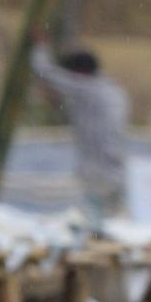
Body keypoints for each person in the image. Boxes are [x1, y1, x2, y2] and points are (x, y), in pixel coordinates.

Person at [31, 42, 130, 220]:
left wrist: (40, 47)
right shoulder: (112, 90)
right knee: (114, 222)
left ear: (78, 73)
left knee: (95, 224)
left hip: (97, 174)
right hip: (118, 171)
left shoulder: (86, 88)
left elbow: (45, 72)